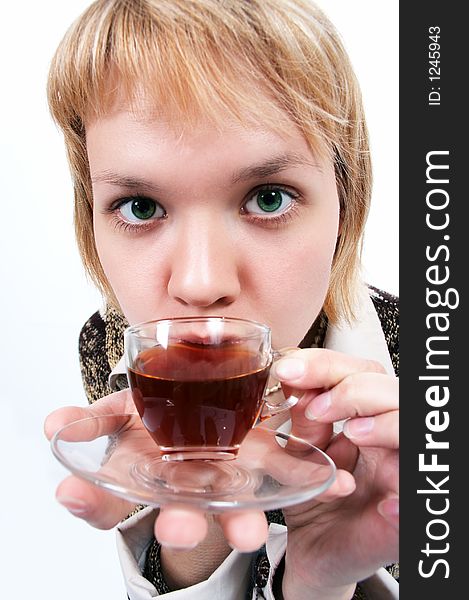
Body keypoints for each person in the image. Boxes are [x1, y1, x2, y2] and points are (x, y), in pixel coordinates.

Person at [44, 0, 399, 598]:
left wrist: (340, 576)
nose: (201, 283)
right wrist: (201, 518)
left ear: (346, 200)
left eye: (266, 198)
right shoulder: (114, 346)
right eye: (141, 207)